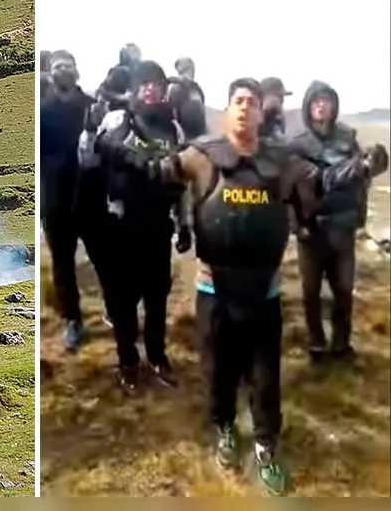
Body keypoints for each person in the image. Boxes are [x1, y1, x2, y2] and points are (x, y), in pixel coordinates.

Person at [105, 77, 378, 496]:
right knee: (219, 371)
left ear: (260, 112)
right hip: (215, 290)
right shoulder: (202, 157)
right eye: (239, 100)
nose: (247, 106)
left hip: (263, 292)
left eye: (252, 101)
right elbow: (155, 167)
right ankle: (226, 428)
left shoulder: (281, 161)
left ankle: (267, 443)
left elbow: (321, 181)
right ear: (228, 109)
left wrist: (360, 168)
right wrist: (112, 143)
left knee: (266, 376)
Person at [80, 60, 190, 391]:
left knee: (157, 299)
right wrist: (88, 131)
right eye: (145, 83)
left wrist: (184, 224)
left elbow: (180, 181)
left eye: (157, 83)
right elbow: (88, 161)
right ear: (135, 88)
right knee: (122, 301)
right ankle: (128, 361)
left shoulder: (174, 129)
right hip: (120, 227)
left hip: (158, 227)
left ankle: (157, 356)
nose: (151, 88)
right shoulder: (117, 121)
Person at [288, 81, 389, 363]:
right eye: (316, 101)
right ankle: (316, 344)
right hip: (311, 228)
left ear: (334, 106)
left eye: (327, 100)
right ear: (309, 107)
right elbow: (291, 190)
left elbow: (362, 178)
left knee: (343, 289)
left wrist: (372, 164)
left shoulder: (347, 139)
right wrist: (297, 224)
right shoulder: (297, 145)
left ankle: (341, 344)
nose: (321, 105)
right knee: (310, 291)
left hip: (341, 227)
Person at [41, 50, 116, 352]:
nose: (64, 71)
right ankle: (72, 320)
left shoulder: (92, 108)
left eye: (68, 66)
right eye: (58, 66)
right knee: (63, 267)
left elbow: (110, 152)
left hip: (92, 199)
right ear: (51, 73)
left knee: (105, 259)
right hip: (57, 203)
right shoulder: (42, 112)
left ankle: (115, 310)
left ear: (76, 71)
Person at [167, 56, 207, 140]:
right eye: (187, 69)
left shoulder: (197, 89)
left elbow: (202, 111)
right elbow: (172, 114)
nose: (191, 72)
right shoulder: (176, 88)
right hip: (185, 137)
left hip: (200, 137)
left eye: (192, 68)